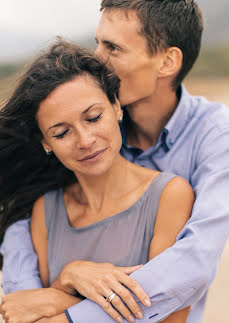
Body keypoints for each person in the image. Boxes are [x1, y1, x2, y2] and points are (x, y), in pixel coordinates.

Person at [1, 0, 229, 322]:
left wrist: (62, 309)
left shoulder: (215, 137)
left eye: (113, 48)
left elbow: (194, 261)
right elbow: (19, 223)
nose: (98, 59)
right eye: (98, 42)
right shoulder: (89, 121)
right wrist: (31, 296)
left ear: (167, 62)